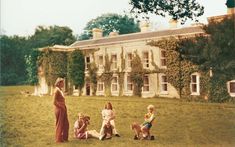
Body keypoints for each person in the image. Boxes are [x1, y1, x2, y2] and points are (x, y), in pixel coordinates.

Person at [53, 77, 69, 143]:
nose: (63, 84)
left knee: (66, 124)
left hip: (62, 109)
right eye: (62, 83)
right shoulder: (56, 90)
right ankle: (58, 139)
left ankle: (64, 138)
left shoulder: (60, 90)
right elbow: (54, 102)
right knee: (60, 124)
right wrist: (61, 107)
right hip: (59, 109)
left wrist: (63, 107)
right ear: (59, 83)